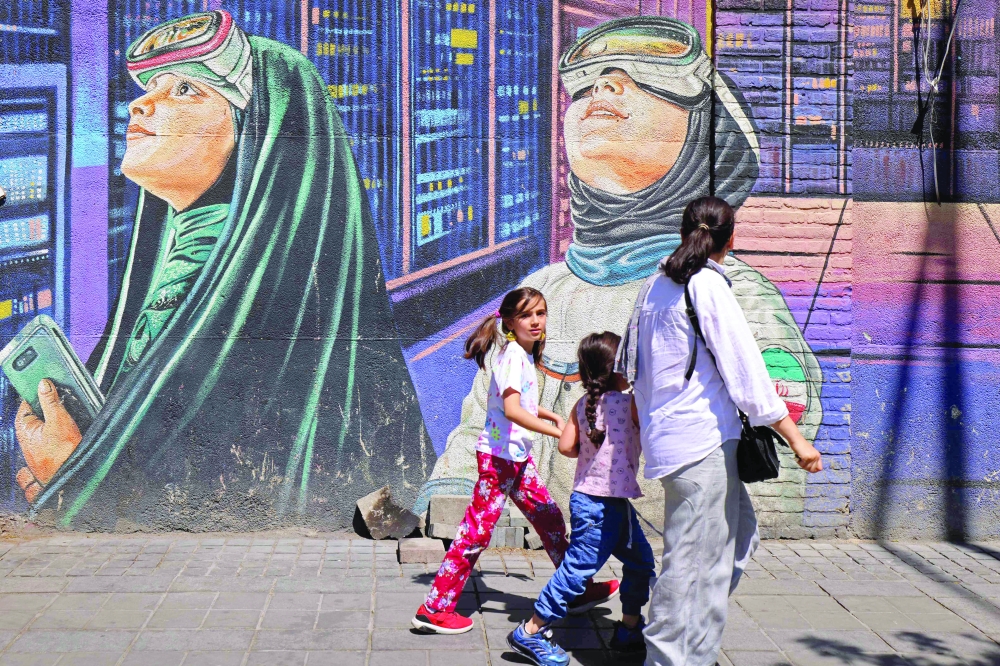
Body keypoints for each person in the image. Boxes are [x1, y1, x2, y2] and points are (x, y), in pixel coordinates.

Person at [12, 10, 434, 529]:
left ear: (258, 134)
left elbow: (202, 514)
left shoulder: (255, 301)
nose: (141, 103)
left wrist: (74, 485)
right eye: (151, 87)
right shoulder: (196, 252)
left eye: (187, 90)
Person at [416, 17, 822, 530]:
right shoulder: (541, 291)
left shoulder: (735, 296)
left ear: (704, 134)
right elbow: (480, 428)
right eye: (588, 83)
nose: (604, 85)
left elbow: (771, 482)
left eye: (643, 78)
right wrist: (453, 509)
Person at [617, 196, 823, 666]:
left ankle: (687, 639)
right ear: (732, 239)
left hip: (679, 441)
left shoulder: (655, 286)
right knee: (694, 565)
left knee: (737, 535)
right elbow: (748, 374)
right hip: (701, 444)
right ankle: (674, 656)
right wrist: (796, 438)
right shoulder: (706, 287)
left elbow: (632, 368)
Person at [412, 288, 617, 635]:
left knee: (551, 521)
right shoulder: (512, 358)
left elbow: (519, 403)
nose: (536, 321)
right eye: (526, 315)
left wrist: (550, 415)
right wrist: (562, 433)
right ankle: (435, 608)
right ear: (509, 321)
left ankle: (579, 590)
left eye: (540, 313)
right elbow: (511, 410)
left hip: (516, 458)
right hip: (499, 460)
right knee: (474, 535)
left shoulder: (521, 355)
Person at [506, 332, 655, 666]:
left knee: (641, 562)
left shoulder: (583, 405)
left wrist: (594, 450)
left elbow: (565, 447)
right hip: (601, 507)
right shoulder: (630, 403)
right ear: (619, 368)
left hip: (601, 501)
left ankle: (629, 629)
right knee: (577, 571)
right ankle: (530, 631)